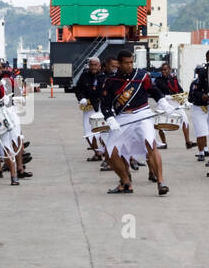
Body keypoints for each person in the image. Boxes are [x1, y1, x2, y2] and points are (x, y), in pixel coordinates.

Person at [99, 49, 168, 195]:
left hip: (143, 113)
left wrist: (162, 101)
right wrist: (110, 118)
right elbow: (105, 104)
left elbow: (154, 90)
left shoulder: (142, 76)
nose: (130, 65)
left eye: (131, 62)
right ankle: (126, 182)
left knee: (151, 143)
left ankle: (161, 182)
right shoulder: (111, 81)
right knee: (109, 152)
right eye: (126, 63)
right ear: (118, 64)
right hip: (122, 117)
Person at [190, 49, 209, 171]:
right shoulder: (203, 73)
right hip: (207, 106)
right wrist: (202, 96)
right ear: (207, 60)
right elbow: (197, 90)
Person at [72, 57, 107, 161]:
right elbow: (78, 89)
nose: (93, 67)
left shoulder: (103, 77)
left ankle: (105, 152)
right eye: (91, 65)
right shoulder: (84, 75)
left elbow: (101, 93)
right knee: (88, 132)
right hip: (87, 108)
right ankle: (97, 152)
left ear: (100, 66)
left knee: (101, 132)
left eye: (95, 65)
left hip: (99, 107)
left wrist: (90, 100)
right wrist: (81, 98)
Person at [152, 61, 191, 149]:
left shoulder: (174, 79)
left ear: (169, 70)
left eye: (165, 70)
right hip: (164, 101)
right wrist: (165, 97)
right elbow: (155, 92)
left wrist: (184, 99)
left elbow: (180, 90)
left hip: (175, 101)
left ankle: (188, 142)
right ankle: (164, 143)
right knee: (160, 122)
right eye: (162, 70)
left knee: (185, 119)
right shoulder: (158, 80)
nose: (163, 71)